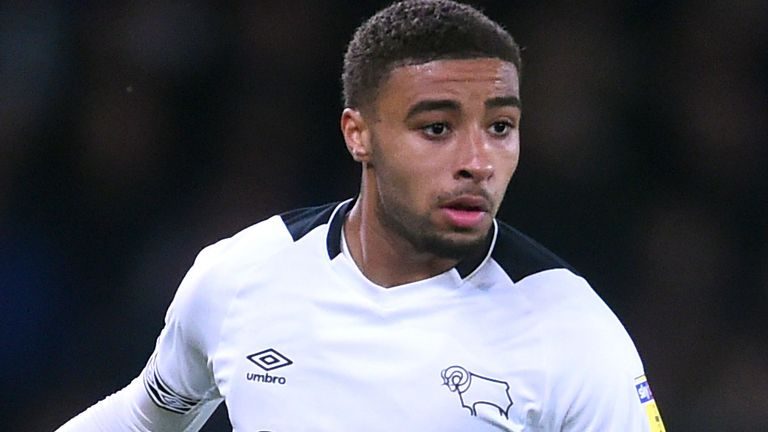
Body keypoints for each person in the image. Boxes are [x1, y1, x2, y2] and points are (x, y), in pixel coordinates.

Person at [57, 1, 665, 431]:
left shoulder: (573, 334)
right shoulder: (240, 277)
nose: (478, 161)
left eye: (500, 127)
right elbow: (147, 417)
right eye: (437, 128)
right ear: (360, 135)